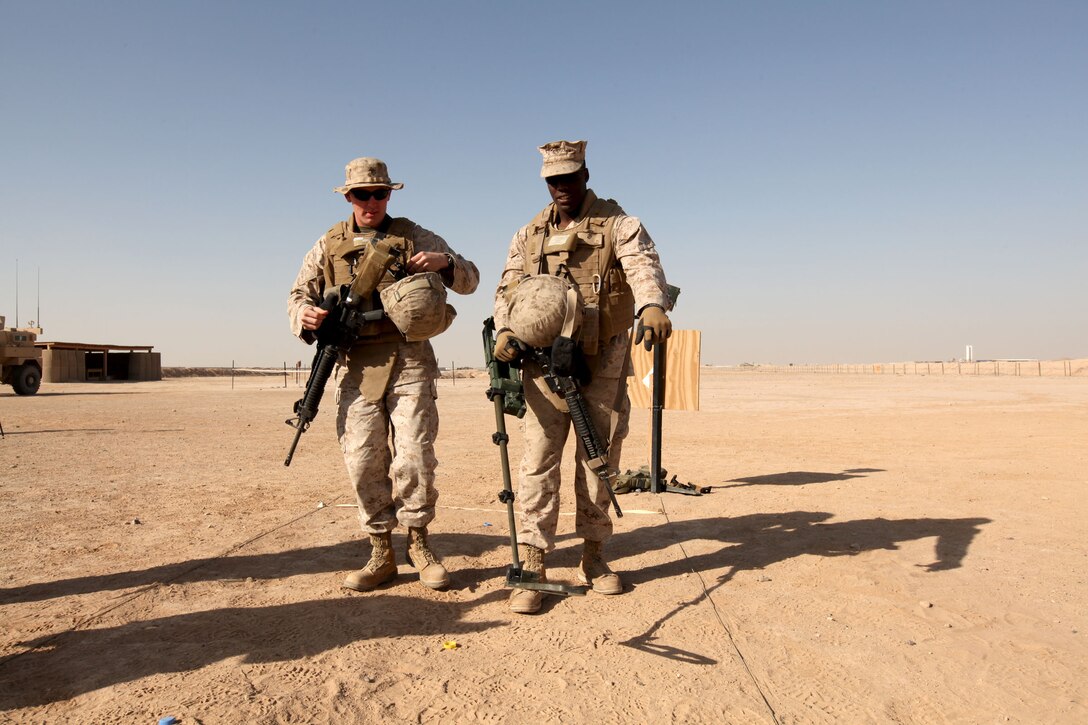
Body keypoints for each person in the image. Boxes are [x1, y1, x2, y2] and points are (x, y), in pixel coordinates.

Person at [492, 140, 672, 614]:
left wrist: (653, 304)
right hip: (542, 362)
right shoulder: (527, 234)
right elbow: (507, 286)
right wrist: (506, 329)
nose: (562, 187)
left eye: (569, 177)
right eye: (553, 180)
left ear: (585, 175)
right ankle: (533, 564)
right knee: (537, 460)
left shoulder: (620, 225)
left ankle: (593, 556)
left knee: (598, 455)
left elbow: (643, 268)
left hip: (601, 357)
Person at [288, 157, 479, 592]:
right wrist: (305, 313)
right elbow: (298, 293)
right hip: (355, 365)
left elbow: (469, 279)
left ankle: (420, 544)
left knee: (414, 458)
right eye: (361, 194)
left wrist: (444, 262)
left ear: (389, 194)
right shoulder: (329, 243)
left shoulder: (413, 236)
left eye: (379, 193)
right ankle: (381, 552)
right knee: (363, 461)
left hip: (409, 360)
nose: (370, 202)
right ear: (348, 197)